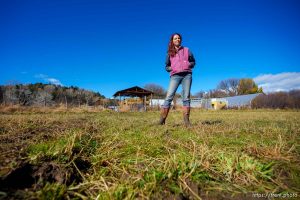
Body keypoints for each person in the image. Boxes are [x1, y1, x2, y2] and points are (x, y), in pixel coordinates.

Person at [158, 33, 196, 127]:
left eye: (179, 38)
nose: (177, 39)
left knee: (186, 97)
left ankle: (187, 122)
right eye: (175, 38)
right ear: (172, 40)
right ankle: (162, 120)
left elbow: (193, 61)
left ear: (180, 40)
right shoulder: (169, 53)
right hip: (175, 76)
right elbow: (167, 67)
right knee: (169, 96)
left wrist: (188, 65)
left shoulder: (187, 50)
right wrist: (174, 68)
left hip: (187, 75)